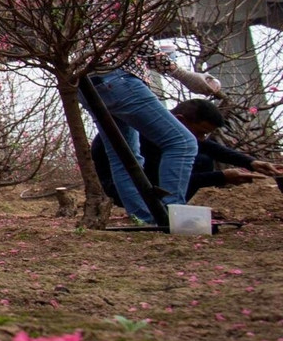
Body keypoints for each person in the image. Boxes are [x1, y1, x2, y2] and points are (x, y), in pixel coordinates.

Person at [81, 44, 226, 225]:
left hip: (88, 81)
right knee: (183, 143)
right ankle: (173, 217)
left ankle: (147, 219)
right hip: (119, 78)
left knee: (125, 158)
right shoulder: (130, 14)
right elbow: (139, 41)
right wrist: (184, 75)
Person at [91, 98, 281, 216]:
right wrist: (221, 177)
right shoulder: (145, 136)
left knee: (203, 159)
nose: (201, 139)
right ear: (181, 120)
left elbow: (207, 147)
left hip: (148, 182)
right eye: (200, 132)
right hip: (122, 190)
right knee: (201, 162)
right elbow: (161, 181)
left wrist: (250, 162)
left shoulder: (161, 129)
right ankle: (165, 212)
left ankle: (169, 209)